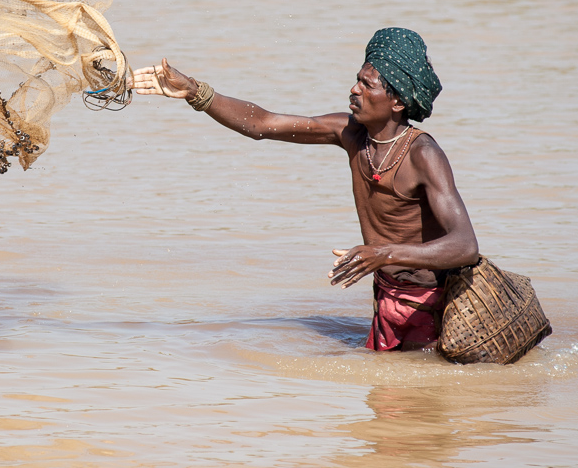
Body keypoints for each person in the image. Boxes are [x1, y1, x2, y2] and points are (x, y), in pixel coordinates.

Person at [130, 28, 478, 351]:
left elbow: (464, 245)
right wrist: (196, 92)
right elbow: (264, 124)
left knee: (404, 407)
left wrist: (384, 254)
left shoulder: (423, 154)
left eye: (367, 84)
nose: (354, 89)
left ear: (398, 101)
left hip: (430, 304)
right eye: (357, 80)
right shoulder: (351, 132)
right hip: (387, 294)